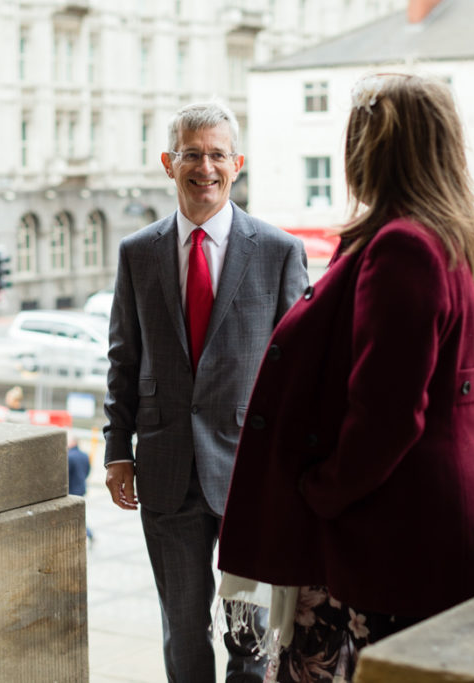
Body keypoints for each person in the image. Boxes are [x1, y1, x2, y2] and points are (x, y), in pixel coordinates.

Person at [218, 73, 474, 682]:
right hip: (438, 511)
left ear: (375, 150)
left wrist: (320, 491)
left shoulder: (403, 247)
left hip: (399, 525)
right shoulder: (450, 234)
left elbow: (388, 415)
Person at [103, 100, 308, 682]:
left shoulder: (278, 251)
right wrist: (118, 449)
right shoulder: (138, 252)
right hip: (167, 473)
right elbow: (124, 357)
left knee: (250, 638)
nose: (205, 167)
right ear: (168, 163)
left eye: (217, 154)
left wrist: (294, 467)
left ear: (237, 164)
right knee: (183, 634)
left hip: (251, 478)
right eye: (191, 154)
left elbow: (297, 371)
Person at [67, 435, 92, 539]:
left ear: (73, 443)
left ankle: (88, 534)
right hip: (81, 488)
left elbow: (66, 475)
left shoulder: (69, 456)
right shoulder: (85, 455)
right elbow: (87, 471)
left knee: (73, 515)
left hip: (71, 490)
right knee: (77, 514)